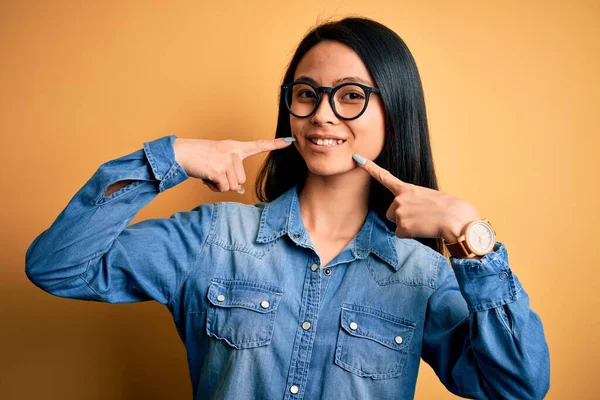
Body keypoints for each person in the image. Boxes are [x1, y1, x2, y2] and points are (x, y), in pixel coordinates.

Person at [25, 16, 550, 400]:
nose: (322, 114)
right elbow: (58, 266)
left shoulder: (424, 276)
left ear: (396, 108)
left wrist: (469, 233)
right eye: (306, 94)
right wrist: (173, 156)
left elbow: (518, 386)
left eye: (349, 96)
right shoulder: (213, 238)